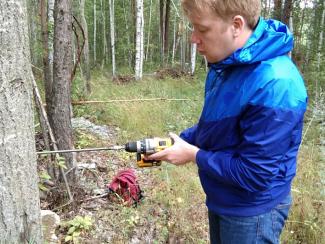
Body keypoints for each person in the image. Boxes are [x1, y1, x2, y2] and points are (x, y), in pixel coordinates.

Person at [146, 0, 308, 243]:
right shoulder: (230, 63)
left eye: (202, 29)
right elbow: (220, 125)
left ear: (236, 25)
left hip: (252, 213)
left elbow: (255, 174)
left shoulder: (276, 84)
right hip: (224, 198)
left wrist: (193, 155)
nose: (194, 39)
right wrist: (178, 141)